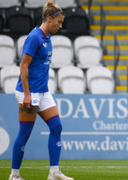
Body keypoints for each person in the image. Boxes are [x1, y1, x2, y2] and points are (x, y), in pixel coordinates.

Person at [8, 1, 73, 180]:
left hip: (43, 91)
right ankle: (14, 175)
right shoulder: (35, 37)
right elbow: (23, 66)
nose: (61, 26)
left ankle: (54, 173)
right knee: (25, 133)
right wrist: (27, 95)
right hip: (29, 92)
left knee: (56, 127)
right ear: (49, 18)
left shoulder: (46, 37)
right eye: (59, 22)